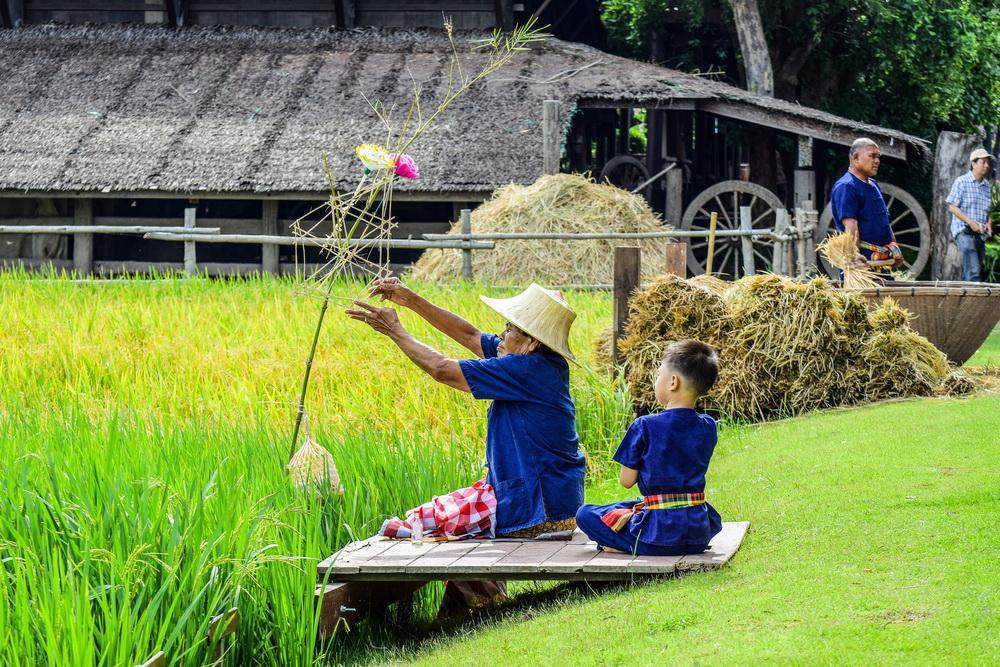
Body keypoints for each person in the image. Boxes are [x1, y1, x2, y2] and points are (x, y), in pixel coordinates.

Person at [345, 279, 586, 539]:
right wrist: (410, 299)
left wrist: (395, 330)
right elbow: (470, 335)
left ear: (532, 342)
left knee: (415, 528)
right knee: (421, 520)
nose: (501, 336)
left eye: (509, 329)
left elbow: (442, 369)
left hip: (539, 509)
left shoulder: (527, 370)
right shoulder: (539, 362)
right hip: (549, 500)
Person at [575, 340, 722, 556]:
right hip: (698, 531)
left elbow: (626, 481)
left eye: (658, 375)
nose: (656, 380)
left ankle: (625, 545)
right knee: (635, 504)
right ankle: (628, 541)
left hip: (660, 534)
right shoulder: (708, 426)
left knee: (585, 514)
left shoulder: (644, 426)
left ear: (673, 382)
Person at [830, 138, 905, 275]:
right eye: (872, 156)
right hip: (861, 266)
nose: (877, 161)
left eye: (878, 157)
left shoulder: (873, 184)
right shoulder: (847, 186)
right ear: (855, 158)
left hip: (881, 263)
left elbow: (884, 221)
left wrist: (894, 249)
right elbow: (850, 228)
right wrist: (853, 258)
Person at [946, 147, 994, 282]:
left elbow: (987, 209)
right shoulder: (961, 182)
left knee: (973, 271)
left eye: (988, 163)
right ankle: (976, 303)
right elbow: (952, 207)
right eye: (983, 162)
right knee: (973, 273)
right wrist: (971, 222)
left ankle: (964, 302)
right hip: (964, 231)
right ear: (973, 163)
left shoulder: (986, 186)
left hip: (980, 234)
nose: (987, 165)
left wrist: (989, 224)